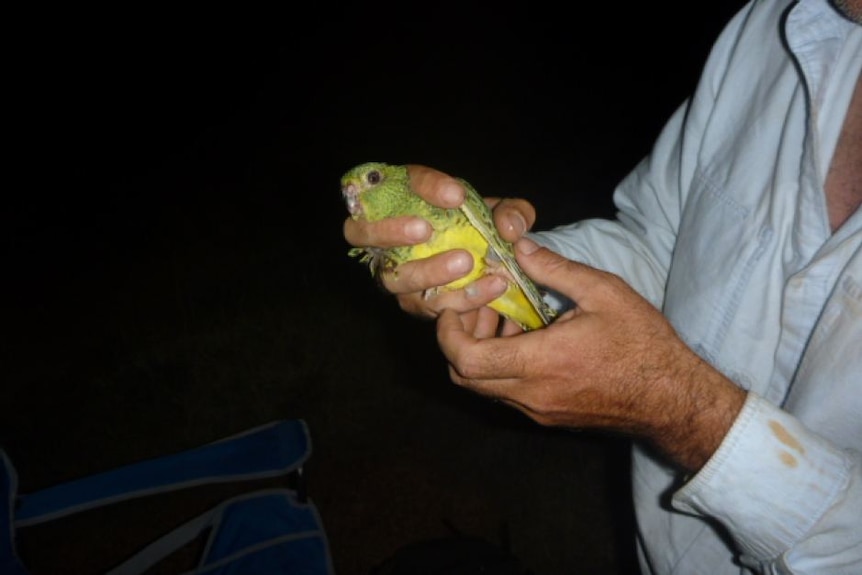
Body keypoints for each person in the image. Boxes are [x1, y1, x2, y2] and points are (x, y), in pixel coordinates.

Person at [343, 0, 861, 573]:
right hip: (653, 547)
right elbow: (660, 239)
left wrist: (681, 412)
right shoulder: (772, 24)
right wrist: (499, 260)